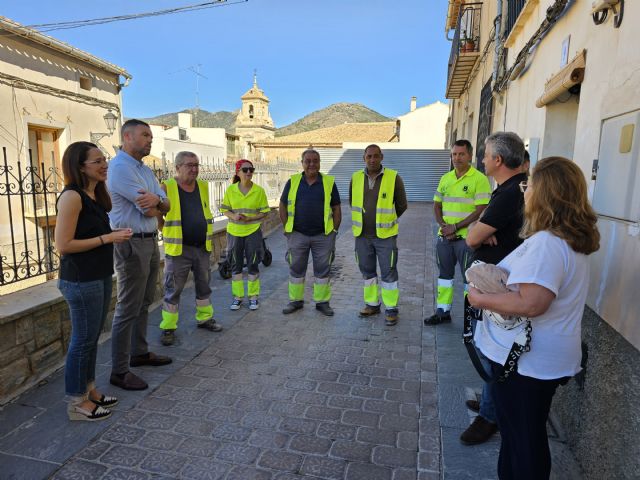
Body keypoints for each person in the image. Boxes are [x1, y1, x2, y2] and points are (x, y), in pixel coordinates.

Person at [468, 156, 599, 480]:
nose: (524, 192)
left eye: (528, 185)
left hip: (527, 363)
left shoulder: (548, 244)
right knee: (521, 437)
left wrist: (479, 299)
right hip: (536, 360)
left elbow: (532, 304)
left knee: (523, 442)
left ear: (544, 192)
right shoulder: (563, 239)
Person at [55, 141, 133, 421]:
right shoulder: (72, 197)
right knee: (82, 341)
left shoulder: (96, 195)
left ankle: (88, 390)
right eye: (97, 161)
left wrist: (111, 235)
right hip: (80, 280)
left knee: (91, 339)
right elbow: (63, 244)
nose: (104, 166)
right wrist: (108, 238)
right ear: (80, 166)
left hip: (99, 275)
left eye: (104, 160)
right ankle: (76, 403)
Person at [460, 131, 528, 445]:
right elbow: (477, 232)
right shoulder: (509, 191)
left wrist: (478, 231)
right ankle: (490, 401)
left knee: (494, 352)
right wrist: (480, 229)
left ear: (498, 160)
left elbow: (472, 238)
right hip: (496, 284)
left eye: (485, 156)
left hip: (500, 289)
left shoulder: (511, 193)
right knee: (487, 348)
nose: (482, 160)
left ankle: (490, 417)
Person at [107, 119, 172, 391]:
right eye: (145, 135)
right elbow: (150, 210)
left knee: (145, 301)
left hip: (148, 240)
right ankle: (120, 371)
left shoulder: (145, 170)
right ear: (127, 136)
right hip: (130, 242)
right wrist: (158, 204)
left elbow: (165, 204)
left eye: (151, 136)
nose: (150, 140)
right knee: (127, 307)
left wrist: (158, 202)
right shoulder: (121, 168)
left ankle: (139, 352)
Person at [158, 151, 222, 347]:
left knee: (204, 285)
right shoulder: (167, 187)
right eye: (189, 165)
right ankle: (168, 327)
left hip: (201, 247)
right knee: (173, 289)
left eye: (196, 165)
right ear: (177, 168)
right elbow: (157, 216)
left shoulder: (202, 185)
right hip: (179, 250)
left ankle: (204, 318)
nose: (194, 169)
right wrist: (167, 232)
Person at [424, 139, 491, 325]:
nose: (457, 158)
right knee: (444, 277)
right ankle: (442, 312)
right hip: (445, 238)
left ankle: (470, 317)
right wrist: (444, 227)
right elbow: (437, 205)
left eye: (461, 154)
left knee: (470, 279)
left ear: (469, 156)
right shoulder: (446, 178)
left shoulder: (479, 179)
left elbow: (480, 209)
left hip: (468, 239)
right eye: (454, 154)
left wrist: (456, 227)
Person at [350, 144, 408, 326]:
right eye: (369, 156)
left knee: (389, 272)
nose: (372, 160)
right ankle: (372, 304)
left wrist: (386, 219)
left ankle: (391, 308)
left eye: (376, 156)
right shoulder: (356, 178)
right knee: (367, 272)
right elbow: (352, 201)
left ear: (381, 157)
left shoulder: (393, 177)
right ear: (364, 158)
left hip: (385, 236)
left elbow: (402, 205)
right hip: (362, 236)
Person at [279, 148, 341, 316]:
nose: (312, 164)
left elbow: (336, 207)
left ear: (320, 163)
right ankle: (296, 301)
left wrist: (334, 230)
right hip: (297, 234)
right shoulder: (292, 182)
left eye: (315, 161)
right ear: (302, 163)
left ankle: (322, 303)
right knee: (296, 269)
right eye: (308, 161)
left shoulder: (328, 182)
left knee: (323, 270)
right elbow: (283, 205)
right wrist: (287, 229)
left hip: (323, 236)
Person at [220, 159, 270, 311]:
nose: (249, 172)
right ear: (238, 172)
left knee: (253, 264)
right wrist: (233, 216)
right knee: (236, 265)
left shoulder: (259, 191)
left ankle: (253, 297)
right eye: (245, 169)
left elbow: (264, 212)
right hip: (234, 232)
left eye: (251, 170)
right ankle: (238, 298)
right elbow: (225, 209)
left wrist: (251, 219)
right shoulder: (231, 190)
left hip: (252, 232)